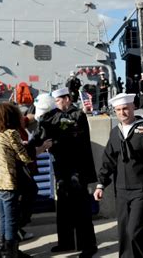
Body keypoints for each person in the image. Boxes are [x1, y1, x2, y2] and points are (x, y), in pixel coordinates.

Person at [93, 93, 143, 258]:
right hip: (121, 190)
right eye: (118, 110)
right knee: (125, 231)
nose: (122, 113)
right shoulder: (115, 133)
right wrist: (101, 184)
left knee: (136, 229)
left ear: (133, 107)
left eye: (125, 108)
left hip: (142, 189)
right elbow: (108, 160)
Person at [31, 87, 98, 257]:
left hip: (77, 169)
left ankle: (88, 245)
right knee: (63, 208)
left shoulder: (78, 115)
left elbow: (74, 134)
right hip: (61, 169)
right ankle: (66, 242)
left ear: (67, 98)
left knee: (82, 209)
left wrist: (56, 141)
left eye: (59, 100)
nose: (57, 103)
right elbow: (40, 134)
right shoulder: (50, 116)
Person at [0, 103, 34, 258]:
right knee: (11, 222)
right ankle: (10, 254)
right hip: (8, 183)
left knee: (2, 220)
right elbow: (25, 157)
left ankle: (2, 253)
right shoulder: (11, 133)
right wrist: (28, 146)